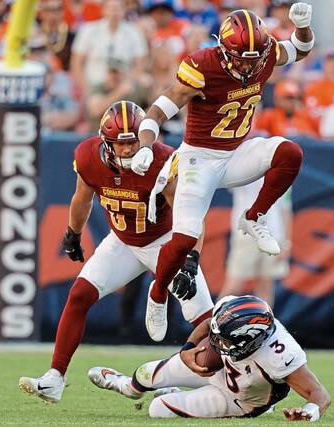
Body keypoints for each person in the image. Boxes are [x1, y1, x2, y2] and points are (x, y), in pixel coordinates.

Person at [134, 3, 314, 342]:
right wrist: (145, 144)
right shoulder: (202, 66)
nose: (249, 65)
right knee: (185, 237)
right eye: (242, 58)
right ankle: (157, 296)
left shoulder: (263, 53)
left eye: (254, 58)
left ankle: (255, 216)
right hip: (199, 158)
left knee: (289, 152)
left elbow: (301, 48)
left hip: (236, 153)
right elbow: (159, 109)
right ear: (224, 49)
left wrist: (302, 26)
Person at [18, 101, 214, 403]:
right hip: (122, 241)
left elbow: (190, 217)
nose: (128, 150)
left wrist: (190, 260)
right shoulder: (87, 156)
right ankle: (55, 377)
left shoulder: (162, 159)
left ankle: (235, 382)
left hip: (164, 242)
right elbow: (81, 198)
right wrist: (73, 233)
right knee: (80, 294)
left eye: (134, 141)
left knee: (205, 317)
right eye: (121, 144)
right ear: (105, 142)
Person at [88, 295, 331, 420]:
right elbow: (209, 323)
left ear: (250, 342)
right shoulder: (236, 309)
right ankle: (125, 386)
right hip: (221, 369)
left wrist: (310, 412)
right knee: (144, 374)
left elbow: (320, 395)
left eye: (223, 340)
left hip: (238, 399)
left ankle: (174, 394)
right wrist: (188, 349)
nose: (215, 342)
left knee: (158, 409)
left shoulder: (280, 355)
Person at [221, 179, 292, 306]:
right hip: (246, 235)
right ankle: (215, 323)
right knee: (234, 286)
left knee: (266, 285)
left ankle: (264, 324)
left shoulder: (285, 170)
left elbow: (286, 208)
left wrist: (286, 242)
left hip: (274, 236)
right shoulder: (246, 164)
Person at [70, 0, 148, 95]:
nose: (114, 12)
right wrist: (86, 89)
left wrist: (131, 82)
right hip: (95, 86)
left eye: (118, 8)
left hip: (125, 87)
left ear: (124, 10)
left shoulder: (134, 31)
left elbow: (141, 63)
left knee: (146, 82)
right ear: (103, 10)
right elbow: (76, 63)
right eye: (111, 8)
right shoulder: (88, 30)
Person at [254, 79, 319, 138]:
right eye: (287, 98)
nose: (291, 102)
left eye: (293, 98)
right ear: (278, 99)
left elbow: (317, 138)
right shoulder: (269, 116)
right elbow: (257, 137)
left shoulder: (305, 116)